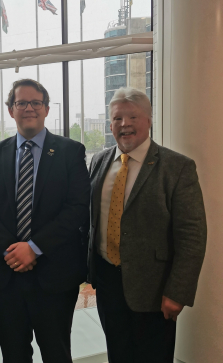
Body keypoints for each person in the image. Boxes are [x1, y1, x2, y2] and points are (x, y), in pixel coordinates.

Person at [0, 79, 90, 363]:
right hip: (5, 276)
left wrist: (34, 247)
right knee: (13, 355)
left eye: (35, 102)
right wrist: (12, 249)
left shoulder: (70, 151)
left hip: (54, 276)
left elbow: (77, 208)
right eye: (20, 103)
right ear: (10, 110)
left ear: (47, 109)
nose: (28, 108)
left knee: (56, 353)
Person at [88, 87, 207, 363]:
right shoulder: (99, 162)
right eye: (118, 119)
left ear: (149, 120)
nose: (125, 124)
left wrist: (177, 292)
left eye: (133, 117)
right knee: (118, 353)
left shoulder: (177, 167)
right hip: (108, 282)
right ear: (110, 125)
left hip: (155, 288)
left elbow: (192, 236)